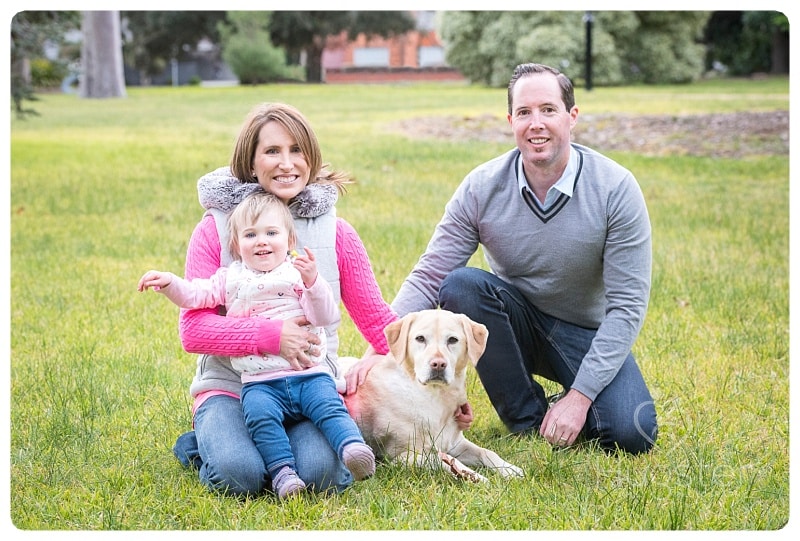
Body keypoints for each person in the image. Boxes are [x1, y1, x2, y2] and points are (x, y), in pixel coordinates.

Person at [368, 62, 658, 454]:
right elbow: (429, 276)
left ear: (572, 117)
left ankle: (566, 406)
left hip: (584, 334)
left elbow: (626, 308)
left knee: (632, 433)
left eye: (548, 110)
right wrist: (374, 353)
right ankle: (527, 419)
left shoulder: (616, 189)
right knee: (461, 286)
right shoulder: (482, 187)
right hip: (513, 325)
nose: (535, 123)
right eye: (524, 112)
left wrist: (581, 398)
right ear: (510, 121)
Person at [170, 102, 399, 497]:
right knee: (239, 476)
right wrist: (272, 336)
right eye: (272, 151)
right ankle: (208, 443)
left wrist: (429, 383)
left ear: (311, 157)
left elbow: (379, 321)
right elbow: (194, 331)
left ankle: (277, 451)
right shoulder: (216, 227)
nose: (286, 163)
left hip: (307, 384)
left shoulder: (336, 233)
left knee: (321, 476)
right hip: (233, 385)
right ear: (251, 161)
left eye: (297, 150)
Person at [139, 192, 375, 498]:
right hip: (259, 383)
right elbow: (195, 295)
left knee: (327, 420)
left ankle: (353, 448)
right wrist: (170, 283)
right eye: (250, 235)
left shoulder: (297, 276)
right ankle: (282, 474)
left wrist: (314, 283)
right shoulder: (230, 279)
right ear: (236, 245)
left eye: (271, 233)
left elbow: (325, 316)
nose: (261, 241)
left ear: (290, 241)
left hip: (307, 376)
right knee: (258, 432)